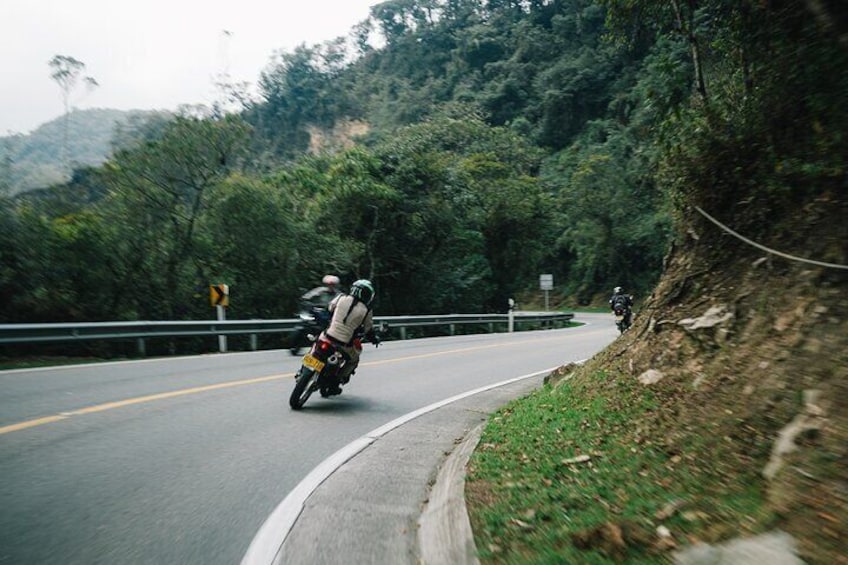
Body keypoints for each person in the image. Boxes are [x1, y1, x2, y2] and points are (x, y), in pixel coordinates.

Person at [319, 278, 380, 393]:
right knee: (354, 360)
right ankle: (335, 383)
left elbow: (330, 308)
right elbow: (368, 329)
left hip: (328, 335)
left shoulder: (341, 297)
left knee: (317, 340)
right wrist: (374, 338)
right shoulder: (366, 310)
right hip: (343, 344)